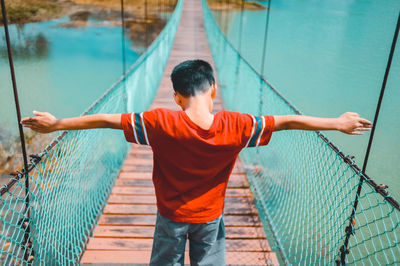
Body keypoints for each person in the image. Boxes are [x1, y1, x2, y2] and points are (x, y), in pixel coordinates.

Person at [21, 59, 372, 266]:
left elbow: (106, 120)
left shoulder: (161, 121)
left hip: (170, 217)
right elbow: (287, 121)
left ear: (176, 96)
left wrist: (58, 124)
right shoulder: (238, 125)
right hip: (209, 218)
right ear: (214, 89)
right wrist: (337, 123)